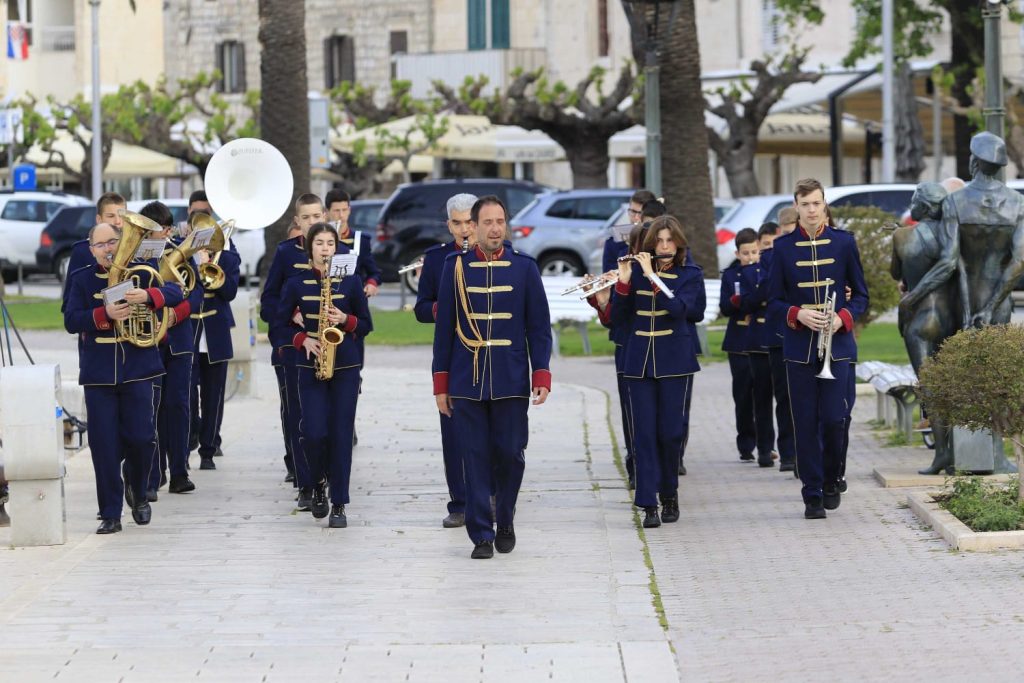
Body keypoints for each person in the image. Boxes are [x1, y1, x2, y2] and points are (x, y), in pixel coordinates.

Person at [432, 195, 552, 559]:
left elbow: (539, 327)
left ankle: (507, 518)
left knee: (511, 453)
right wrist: (441, 384)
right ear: (475, 226)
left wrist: (541, 372)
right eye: (487, 222)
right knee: (474, 456)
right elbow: (444, 331)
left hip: (511, 377)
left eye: (500, 221)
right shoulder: (455, 267)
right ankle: (481, 534)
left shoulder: (525, 268)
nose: (495, 228)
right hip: (466, 378)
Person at [63, 222, 184, 534]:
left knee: (143, 438)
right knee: (103, 446)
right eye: (100, 244)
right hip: (99, 373)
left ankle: (138, 488)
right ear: (90, 250)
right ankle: (110, 513)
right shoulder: (82, 278)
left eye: (113, 242)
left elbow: (175, 291)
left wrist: (149, 295)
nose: (108, 249)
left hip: (138, 367)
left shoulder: (143, 270)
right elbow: (71, 319)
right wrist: (104, 316)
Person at [767, 178, 869, 519]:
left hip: (836, 346)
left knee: (835, 419)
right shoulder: (781, 249)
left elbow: (862, 296)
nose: (811, 209)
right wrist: (798, 314)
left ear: (824, 205)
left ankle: (832, 478)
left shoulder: (843, 243)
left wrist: (843, 318)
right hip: (800, 348)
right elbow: (773, 302)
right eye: (805, 204)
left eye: (816, 203)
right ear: (796, 206)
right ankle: (811, 492)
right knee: (805, 423)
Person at [276, 223, 372, 527]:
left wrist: (345, 319)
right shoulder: (296, 283)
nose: (325, 248)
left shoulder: (351, 283)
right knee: (313, 432)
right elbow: (278, 325)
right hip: (310, 366)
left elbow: (366, 325)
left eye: (330, 243)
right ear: (310, 248)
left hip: (345, 366)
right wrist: (302, 340)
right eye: (319, 243)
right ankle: (316, 482)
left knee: (342, 435)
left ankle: (339, 502)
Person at [611, 215, 703, 528]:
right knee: (644, 435)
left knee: (670, 433)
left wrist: (653, 277)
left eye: (669, 241)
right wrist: (622, 284)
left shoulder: (690, 275)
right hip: (639, 362)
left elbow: (684, 312)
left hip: (675, 361)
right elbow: (617, 320)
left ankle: (670, 495)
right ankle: (648, 503)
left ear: (678, 244)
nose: (664, 246)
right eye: (658, 242)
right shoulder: (635, 274)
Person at [414, 192, 478, 528]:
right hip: (452, 353)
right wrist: (444, 308)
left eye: (470, 222)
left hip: (486, 351)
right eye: (458, 223)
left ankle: (492, 496)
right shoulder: (437, 259)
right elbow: (421, 308)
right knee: (452, 430)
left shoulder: (496, 256)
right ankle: (460, 502)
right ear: (448, 225)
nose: (465, 229)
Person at [261, 193, 326, 511]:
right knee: (298, 416)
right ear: (298, 222)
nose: (314, 223)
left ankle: (328, 478)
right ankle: (305, 483)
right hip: (296, 347)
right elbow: (269, 303)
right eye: (307, 218)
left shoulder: (336, 248)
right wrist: (292, 314)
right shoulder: (286, 253)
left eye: (318, 216)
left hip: (331, 347)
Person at [140, 201, 201, 497]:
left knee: (178, 404)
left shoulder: (180, 250)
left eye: (165, 229)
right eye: (155, 229)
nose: (162, 234)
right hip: (148, 339)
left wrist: (179, 312)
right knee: (150, 407)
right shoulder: (135, 254)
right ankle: (153, 475)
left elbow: (198, 292)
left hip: (178, 337)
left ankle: (179, 471)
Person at [190, 211, 242, 472]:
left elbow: (230, 292)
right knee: (187, 395)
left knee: (213, 397)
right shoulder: (184, 257)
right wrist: (195, 264)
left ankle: (208, 450)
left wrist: (210, 268)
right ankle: (191, 436)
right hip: (190, 332)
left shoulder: (229, 259)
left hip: (215, 333)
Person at [750, 220, 796, 473]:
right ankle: (788, 452)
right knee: (783, 397)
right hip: (779, 334)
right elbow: (768, 290)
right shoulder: (769, 257)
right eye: (786, 233)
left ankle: (803, 451)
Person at [719, 228, 761, 463]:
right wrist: (738, 303)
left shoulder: (765, 272)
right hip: (739, 342)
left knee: (764, 395)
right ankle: (746, 444)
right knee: (743, 396)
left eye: (754, 252)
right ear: (737, 253)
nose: (750, 257)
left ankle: (766, 442)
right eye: (745, 253)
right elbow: (725, 308)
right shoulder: (731, 275)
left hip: (761, 339)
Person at [63, 192, 127, 309]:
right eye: (111, 216)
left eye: (122, 215)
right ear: (99, 219)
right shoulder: (82, 251)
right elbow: (69, 302)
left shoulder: (134, 247)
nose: (118, 221)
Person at [325, 189, 383, 298]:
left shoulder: (361, 240)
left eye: (344, 210)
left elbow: (374, 272)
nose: (341, 215)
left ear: (349, 210)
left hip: (354, 303)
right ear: (327, 212)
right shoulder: (317, 241)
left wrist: (371, 283)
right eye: (336, 211)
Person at [602, 189, 657, 272]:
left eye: (642, 213)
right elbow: (608, 273)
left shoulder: (661, 239)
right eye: (633, 212)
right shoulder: (614, 241)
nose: (636, 218)